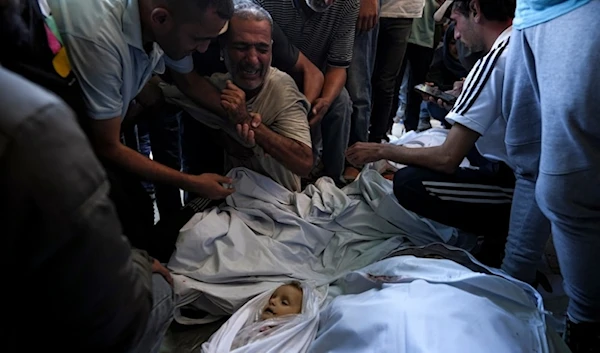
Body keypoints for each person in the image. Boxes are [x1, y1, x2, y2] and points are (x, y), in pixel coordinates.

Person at [1, 4, 173, 352]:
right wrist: (140, 265)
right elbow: (116, 311)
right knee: (162, 289)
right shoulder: (35, 128)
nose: (202, 49)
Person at [47, 0, 241, 248]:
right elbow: (108, 145)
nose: (203, 49)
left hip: (97, 125)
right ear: (160, 19)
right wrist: (192, 182)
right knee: (129, 217)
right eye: (197, 39)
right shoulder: (98, 37)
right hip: (60, 144)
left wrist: (240, 116)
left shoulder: (166, 22)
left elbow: (189, 82)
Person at [347, 0, 515, 266]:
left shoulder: (495, 62)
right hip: (521, 167)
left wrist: (380, 150)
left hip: (516, 185)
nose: (456, 34)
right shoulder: (515, 43)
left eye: (456, 23)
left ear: (476, 11)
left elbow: (447, 159)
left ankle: (497, 235)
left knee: (409, 183)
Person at [501, 0, 600, 351]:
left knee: (570, 186)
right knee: (528, 157)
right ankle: (512, 287)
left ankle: (585, 322)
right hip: (531, 13)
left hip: (580, 9)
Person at [162, 1, 313, 191]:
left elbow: (304, 163)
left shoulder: (281, 88)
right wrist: (220, 132)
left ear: (272, 50)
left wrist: (246, 121)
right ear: (223, 49)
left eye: (262, 49)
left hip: (282, 201)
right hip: (234, 201)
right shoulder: (215, 85)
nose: (252, 59)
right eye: (241, 47)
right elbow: (165, 91)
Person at [253, 0, 359, 184]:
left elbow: (338, 67)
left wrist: (324, 100)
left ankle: (333, 181)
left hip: (313, 76)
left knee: (340, 101)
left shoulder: (348, 4)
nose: (326, 1)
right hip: (270, 74)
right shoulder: (266, 3)